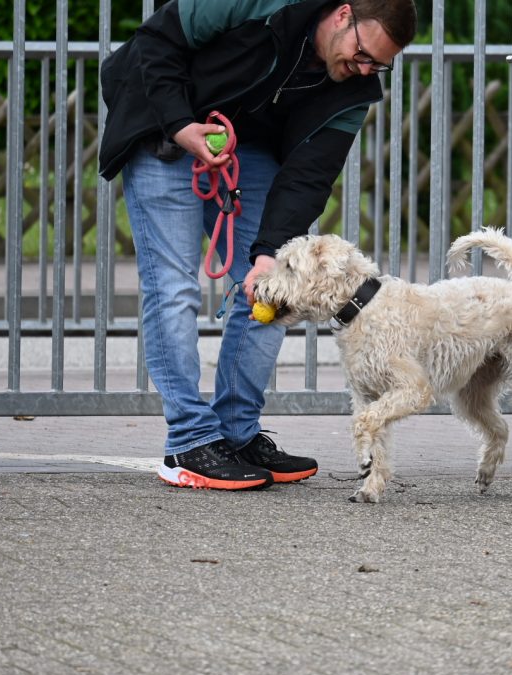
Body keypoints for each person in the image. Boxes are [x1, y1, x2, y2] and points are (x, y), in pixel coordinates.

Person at [98, 0, 417, 491]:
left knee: (274, 290)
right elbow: (157, 41)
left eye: (378, 65)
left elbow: (309, 176)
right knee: (174, 288)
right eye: (362, 54)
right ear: (343, 14)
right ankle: (188, 443)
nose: (364, 69)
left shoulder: (354, 90)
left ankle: (235, 433)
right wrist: (181, 126)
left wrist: (268, 254)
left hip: (247, 149)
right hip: (167, 126)